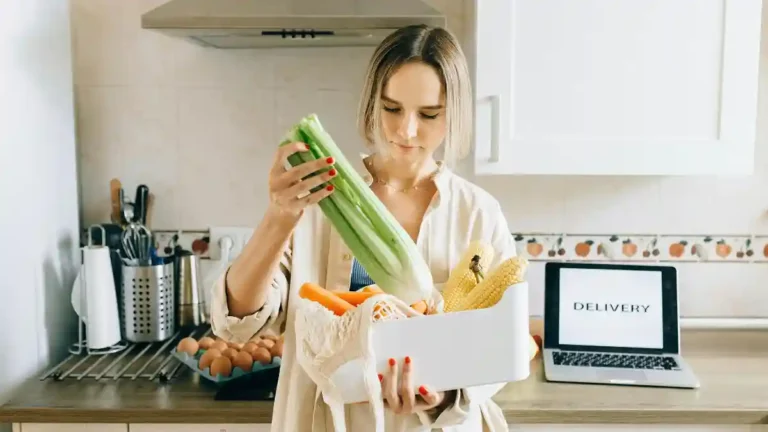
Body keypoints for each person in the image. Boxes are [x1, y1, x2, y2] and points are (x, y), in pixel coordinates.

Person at [210, 24, 517, 431]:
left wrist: (445, 395)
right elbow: (237, 322)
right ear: (372, 102)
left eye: (428, 114)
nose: (406, 130)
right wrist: (279, 216)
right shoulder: (321, 198)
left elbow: (500, 345)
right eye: (392, 109)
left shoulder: (477, 213)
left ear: (454, 112)